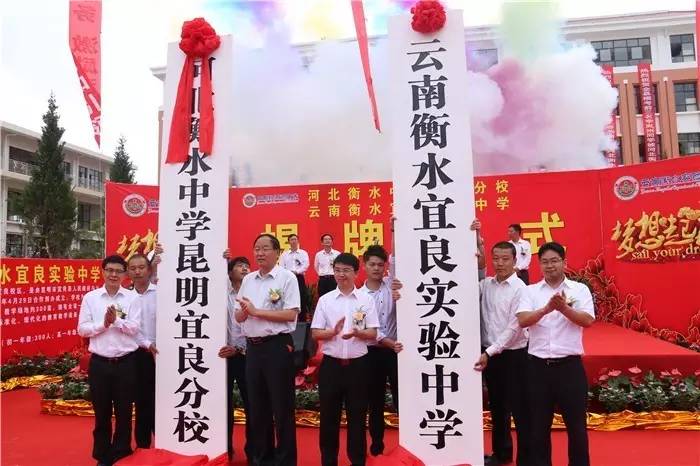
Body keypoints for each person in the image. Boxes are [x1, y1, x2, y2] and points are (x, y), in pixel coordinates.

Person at [516, 242, 595, 466]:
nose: (549, 266)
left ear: (564, 262)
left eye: (554, 261)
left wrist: (564, 308)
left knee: (577, 428)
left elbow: (588, 320)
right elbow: (523, 320)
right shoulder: (530, 291)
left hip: (570, 368)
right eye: (545, 262)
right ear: (539, 265)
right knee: (538, 428)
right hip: (538, 369)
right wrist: (546, 309)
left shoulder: (579, 290)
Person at [235, 233, 301, 466]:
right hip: (253, 349)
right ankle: (262, 458)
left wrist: (256, 312)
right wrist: (244, 313)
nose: (260, 253)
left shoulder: (287, 278)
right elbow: (238, 315)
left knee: (282, 407)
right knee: (257, 407)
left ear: (277, 252)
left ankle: (285, 460)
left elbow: (291, 313)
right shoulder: (248, 280)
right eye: (257, 249)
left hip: (276, 346)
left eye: (265, 249)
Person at [311, 253, 379, 466]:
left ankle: (357, 461)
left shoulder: (366, 300)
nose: (341, 274)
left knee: (357, 418)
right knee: (328, 418)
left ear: (356, 273)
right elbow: (315, 333)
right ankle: (328, 461)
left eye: (346, 270)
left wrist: (359, 333)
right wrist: (332, 332)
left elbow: (373, 332)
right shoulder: (325, 300)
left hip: (358, 367)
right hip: (331, 365)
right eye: (337, 270)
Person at [77, 255, 140, 466]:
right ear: (103, 271)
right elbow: (82, 329)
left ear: (125, 274)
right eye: (110, 270)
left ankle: (122, 453)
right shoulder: (91, 298)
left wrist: (117, 321)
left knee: (124, 412)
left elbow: (135, 328)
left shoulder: (132, 298)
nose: (114, 275)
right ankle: (103, 456)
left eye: (118, 271)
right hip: (100, 364)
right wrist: (103, 325)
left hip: (126, 363)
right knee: (101, 413)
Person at [473, 242, 530, 466]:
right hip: (490, 355)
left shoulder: (520, 289)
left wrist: (489, 351)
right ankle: (501, 454)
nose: (500, 263)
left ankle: (526, 458)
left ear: (515, 261)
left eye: (505, 259)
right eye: (496, 258)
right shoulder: (486, 284)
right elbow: (463, 287)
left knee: (519, 409)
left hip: (513, 355)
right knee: (497, 406)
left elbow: (514, 328)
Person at [360, 245, 403, 457]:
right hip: (372, 353)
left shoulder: (392, 285)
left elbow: (395, 259)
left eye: (380, 264)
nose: (376, 268)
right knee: (375, 402)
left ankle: (409, 446)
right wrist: (387, 342)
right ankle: (377, 448)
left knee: (402, 400)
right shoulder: (359, 296)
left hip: (396, 353)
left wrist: (394, 230)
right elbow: (364, 329)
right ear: (364, 265)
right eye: (372, 264)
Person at [220, 256, 255, 462]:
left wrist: (239, 348)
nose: (244, 269)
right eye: (240, 266)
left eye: (247, 266)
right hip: (223, 356)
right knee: (223, 404)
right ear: (230, 271)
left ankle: (253, 449)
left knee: (252, 403)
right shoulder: (222, 292)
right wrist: (223, 258)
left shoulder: (253, 293)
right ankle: (225, 448)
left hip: (245, 355)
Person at [128, 253, 158, 450]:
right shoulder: (125, 297)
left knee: (163, 400)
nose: (137, 271)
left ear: (149, 269)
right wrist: (147, 345)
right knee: (141, 401)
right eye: (133, 268)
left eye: (141, 267)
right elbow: (128, 328)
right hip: (138, 354)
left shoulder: (162, 293)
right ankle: (143, 446)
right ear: (128, 272)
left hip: (163, 353)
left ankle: (164, 443)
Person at [280, 233, 311, 321]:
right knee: (288, 296)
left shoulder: (303, 253)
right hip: (288, 278)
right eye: (292, 240)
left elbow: (306, 265)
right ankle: (289, 318)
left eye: (295, 239)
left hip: (299, 277)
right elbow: (281, 266)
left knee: (301, 297)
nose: (293, 241)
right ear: (288, 242)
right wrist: (289, 273)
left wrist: (296, 271)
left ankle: (302, 320)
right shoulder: (284, 254)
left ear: (298, 241)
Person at [314, 234, 340, 298]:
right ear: (322, 243)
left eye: (329, 239)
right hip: (323, 279)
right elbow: (316, 267)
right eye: (325, 239)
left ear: (332, 242)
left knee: (334, 297)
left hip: (333, 279)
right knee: (322, 297)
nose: (327, 240)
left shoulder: (337, 254)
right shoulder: (319, 254)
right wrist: (322, 274)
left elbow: (340, 266)